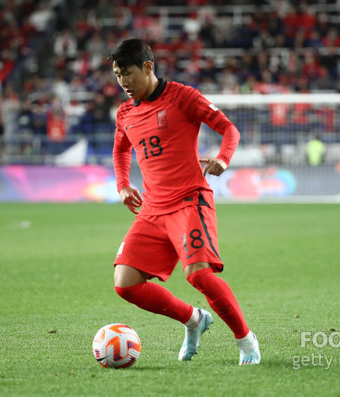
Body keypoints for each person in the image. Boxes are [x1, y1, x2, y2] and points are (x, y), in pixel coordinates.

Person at [108, 39, 261, 365]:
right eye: (118, 75)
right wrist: (122, 184)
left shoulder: (183, 96)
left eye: (128, 74)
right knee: (125, 284)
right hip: (152, 208)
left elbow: (228, 129)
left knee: (199, 276)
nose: (123, 83)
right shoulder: (124, 113)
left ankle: (246, 340)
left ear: (148, 67)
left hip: (190, 201)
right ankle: (194, 320)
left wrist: (223, 158)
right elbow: (121, 149)